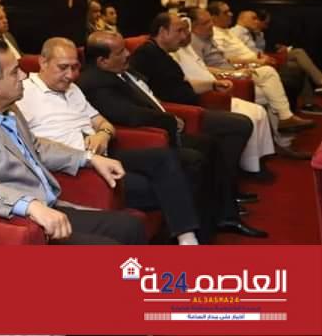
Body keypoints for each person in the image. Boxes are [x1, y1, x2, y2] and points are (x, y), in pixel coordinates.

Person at [0, 38, 147, 245]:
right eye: (15, 71)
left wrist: (89, 158)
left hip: (47, 208)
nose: (24, 75)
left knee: (131, 226)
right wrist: (30, 206)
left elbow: (36, 147)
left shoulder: (7, 106)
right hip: (15, 223)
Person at [79, 31, 267, 238]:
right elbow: (128, 115)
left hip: (160, 130)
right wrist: (168, 120)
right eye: (120, 52)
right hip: (143, 140)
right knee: (195, 158)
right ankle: (203, 227)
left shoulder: (119, 70)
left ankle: (224, 214)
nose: (127, 54)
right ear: (102, 61)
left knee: (210, 144)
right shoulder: (96, 82)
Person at [16, 37, 200, 244]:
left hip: (104, 153)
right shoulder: (24, 94)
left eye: (75, 67)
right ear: (43, 62)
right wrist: (82, 154)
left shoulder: (73, 89)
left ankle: (187, 238)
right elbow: (28, 144)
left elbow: (104, 123)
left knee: (165, 158)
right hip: (76, 166)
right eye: (63, 67)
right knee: (162, 184)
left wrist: (102, 134)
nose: (70, 75)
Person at [140, 13, 275, 176]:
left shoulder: (163, 53)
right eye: (179, 31)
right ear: (163, 32)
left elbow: (184, 84)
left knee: (244, 120)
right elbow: (148, 95)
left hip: (192, 106)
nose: (183, 36)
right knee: (241, 124)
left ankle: (230, 176)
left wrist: (213, 84)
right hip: (183, 112)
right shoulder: (147, 54)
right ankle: (226, 178)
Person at [194, 3, 314, 133]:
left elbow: (227, 59)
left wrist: (248, 64)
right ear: (193, 26)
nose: (210, 25)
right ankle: (284, 124)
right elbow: (205, 69)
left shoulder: (216, 35)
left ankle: (285, 123)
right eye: (206, 23)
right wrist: (243, 67)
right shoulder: (199, 41)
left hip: (236, 70)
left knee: (273, 77)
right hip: (226, 79)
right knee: (272, 88)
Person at [232, 9, 322, 111]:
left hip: (265, 59)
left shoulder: (256, 33)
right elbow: (241, 55)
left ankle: (308, 103)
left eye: (257, 19)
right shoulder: (235, 33)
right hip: (256, 63)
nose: (257, 21)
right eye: (254, 18)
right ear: (242, 18)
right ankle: (319, 82)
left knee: (300, 64)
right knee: (298, 53)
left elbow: (261, 50)